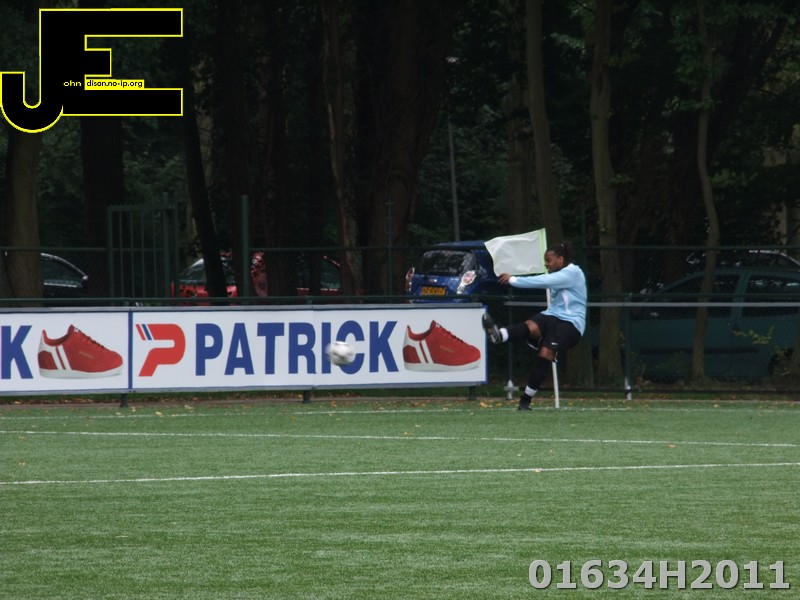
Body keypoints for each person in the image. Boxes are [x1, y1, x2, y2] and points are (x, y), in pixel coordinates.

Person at [482, 242, 587, 410]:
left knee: (546, 353)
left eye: (549, 260)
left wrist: (514, 279)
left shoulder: (572, 273)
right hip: (552, 315)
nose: (546, 264)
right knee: (531, 325)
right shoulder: (560, 273)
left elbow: (543, 280)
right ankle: (499, 335)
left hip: (571, 324)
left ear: (561, 259)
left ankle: (525, 400)